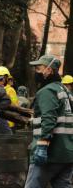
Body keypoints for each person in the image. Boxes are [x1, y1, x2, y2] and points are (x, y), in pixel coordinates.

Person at [25, 55, 73, 188]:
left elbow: (49, 119)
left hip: (50, 154)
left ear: (49, 70)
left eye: (39, 68)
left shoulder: (47, 91)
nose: (36, 72)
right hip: (67, 154)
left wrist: (42, 146)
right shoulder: (66, 92)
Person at [0, 66, 19, 131]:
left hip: (9, 123)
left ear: (6, 79)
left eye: (1, 79)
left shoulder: (10, 90)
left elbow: (15, 106)